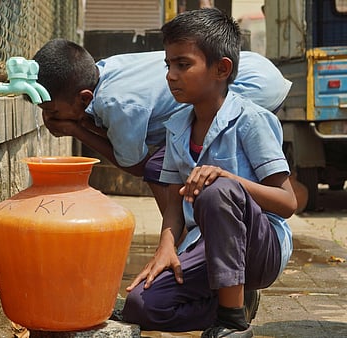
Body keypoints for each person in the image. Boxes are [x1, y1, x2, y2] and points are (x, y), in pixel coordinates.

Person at [121, 8, 297, 338]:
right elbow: (174, 204)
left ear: (221, 68)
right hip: (210, 246)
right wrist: (165, 248)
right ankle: (235, 299)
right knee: (140, 305)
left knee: (218, 189)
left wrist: (230, 179)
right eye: (168, 65)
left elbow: (287, 203)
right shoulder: (176, 128)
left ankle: (232, 322)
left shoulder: (250, 120)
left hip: (260, 249)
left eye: (183, 64)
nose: (171, 75)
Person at [33, 38, 291, 216]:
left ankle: (187, 244)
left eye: (53, 111)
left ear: (84, 98)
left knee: (162, 167)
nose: (50, 118)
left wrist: (76, 131)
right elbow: (125, 134)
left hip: (253, 87)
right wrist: (80, 122)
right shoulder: (103, 71)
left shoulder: (117, 103)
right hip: (257, 68)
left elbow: (135, 164)